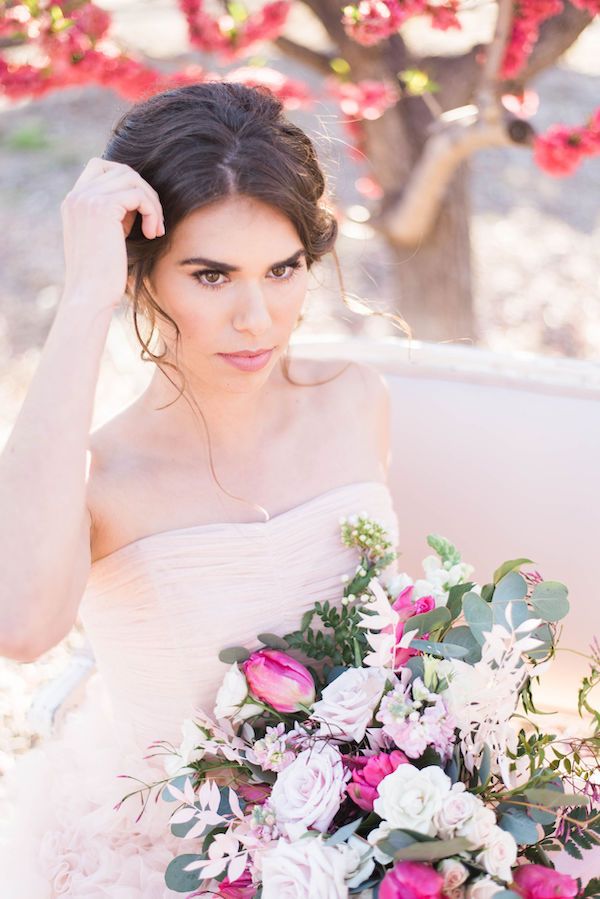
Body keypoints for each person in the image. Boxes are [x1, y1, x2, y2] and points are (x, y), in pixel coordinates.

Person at [0, 81, 404, 896]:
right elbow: (20, 623)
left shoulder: (354, 400)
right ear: (143, 275)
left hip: (376, 837)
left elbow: (392, 635)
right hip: (174, 864)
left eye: (283, 269)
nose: (257, 317)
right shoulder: (99, 473)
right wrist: (84, 300)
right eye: (212, 275)